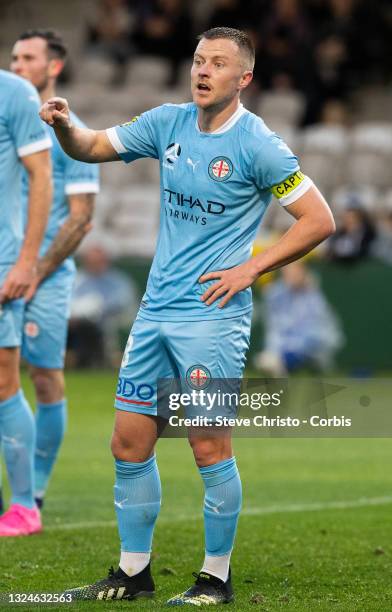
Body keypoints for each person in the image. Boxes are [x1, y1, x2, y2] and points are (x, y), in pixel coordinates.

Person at [39, 27, 335, 604]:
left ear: (243, 78)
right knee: (128, 443)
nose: (203, 70)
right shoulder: (167, 122)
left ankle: (215, 579)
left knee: (207, 447)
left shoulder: (260, 145)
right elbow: (92, 146)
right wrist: (64, 125)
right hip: (155, 312)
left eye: (218, 63)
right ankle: (132, 574)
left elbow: (318, 220)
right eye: (199, 60)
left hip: (212, 318)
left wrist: (252, 269)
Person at [9, 30, 99, 511]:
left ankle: (34, 491)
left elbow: (81, 216)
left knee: (44, 377)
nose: (18, 65)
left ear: (54, 68)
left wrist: (37, 270)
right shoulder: (7, 124)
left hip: (44, 275)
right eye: (14, 58)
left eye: (29, 58)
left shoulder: (70, 132)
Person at [0, 69, 52, 536]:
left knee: (3, 379)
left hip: (1, 260)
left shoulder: (12, 92)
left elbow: (41, 175)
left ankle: (23, 507)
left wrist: (26, 261)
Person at [256, 261, 343, 375]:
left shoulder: (313, 297)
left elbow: (319, 331)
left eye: (295, 273)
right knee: (266, 360)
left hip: (312, 346)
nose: (292, 277)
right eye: (287, 274)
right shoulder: (277, 295)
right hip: (284, 347)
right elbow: (274, 329)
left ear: (303, 273)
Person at [68, 242, 137, 368]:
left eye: (98, 261)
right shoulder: (78, 279)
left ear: (106, 261)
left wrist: (97, 310)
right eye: (91, 262)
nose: (95, 265)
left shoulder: (118, 280)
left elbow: (123, 302)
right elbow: (70, 301)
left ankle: (96, 361)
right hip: (78, 324)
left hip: (108, 320)